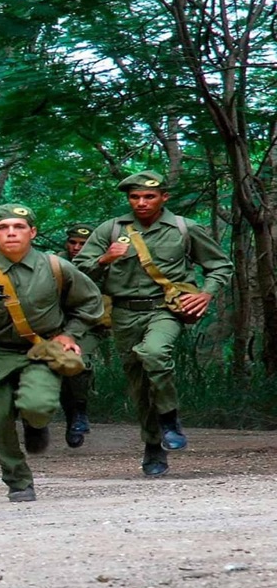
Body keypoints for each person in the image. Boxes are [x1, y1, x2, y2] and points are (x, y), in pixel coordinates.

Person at [72, 171, 233, 476]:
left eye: (149, 196)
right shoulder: (110, 229)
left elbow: (220, 265)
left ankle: (170, 419)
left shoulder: (184, 228)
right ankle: (153, 444)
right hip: (124, 313)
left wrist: (206, 293)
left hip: (166, 309)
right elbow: (77, 273)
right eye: (135, 197)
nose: (142, 202)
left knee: (155, 352)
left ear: (163, 197)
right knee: (140, 384)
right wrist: (104, 259)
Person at [0, 205, 104, 502]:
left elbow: (90, 302)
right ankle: (18, 480)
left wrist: (70, 333)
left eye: (18, 227)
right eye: (3, 228)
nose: (11, 233)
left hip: (42, 350)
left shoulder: (56, 267)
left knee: (38, 405)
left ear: (32, 232)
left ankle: (35, 423)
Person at [57, 222, 107, 447]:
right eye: (73, 242)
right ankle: (72, 417)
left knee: (77, 363)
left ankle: (79, 412)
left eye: (83, 244)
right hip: (55, 326)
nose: (76, 248)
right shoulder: (53, 263)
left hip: (89, 326)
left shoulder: (104, 263)